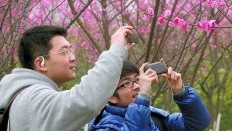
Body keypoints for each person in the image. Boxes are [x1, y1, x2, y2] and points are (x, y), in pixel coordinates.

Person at [0, 25, 135, 131]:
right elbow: (84, 101)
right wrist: (115, 51)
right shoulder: (33, 98)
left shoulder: (22, 95)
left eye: (70, 50)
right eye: (65, 52)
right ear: (41, 63)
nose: (73, 57)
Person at [88, 61, 211, 131]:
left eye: (137, 80)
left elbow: (196, 125)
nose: (137, 86)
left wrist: (181, 93)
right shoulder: (105, 126)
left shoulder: (153, 116)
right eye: (126, 83)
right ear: (111, 97)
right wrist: (142, 100)